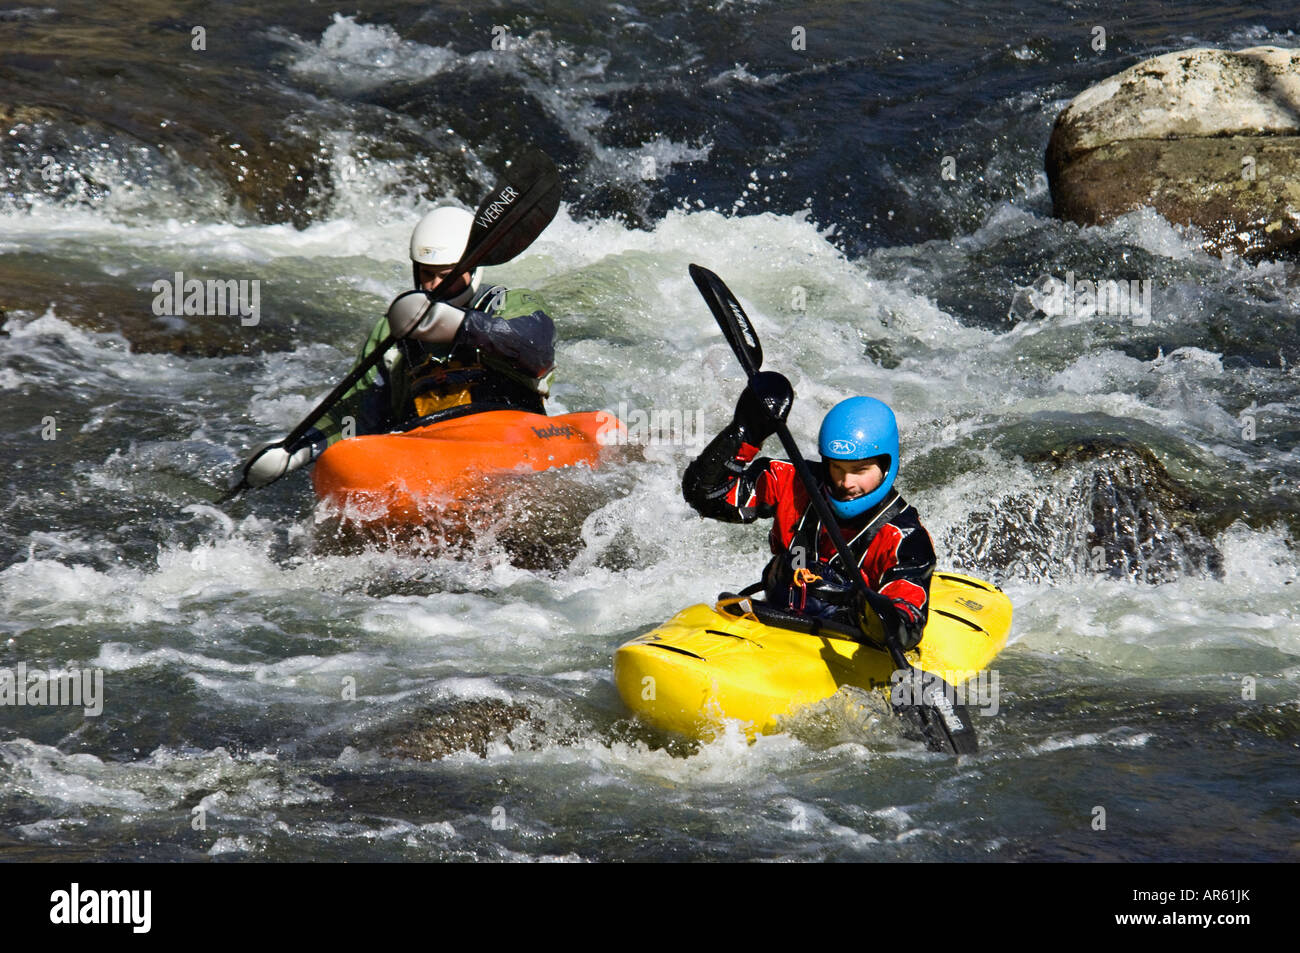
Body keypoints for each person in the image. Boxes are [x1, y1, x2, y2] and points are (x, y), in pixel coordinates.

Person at [242, 205, 557, 487]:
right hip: (430, 447)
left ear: (472, 270)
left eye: (444, 275)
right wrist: (301, 448)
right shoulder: (395, 329)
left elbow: (535, 350)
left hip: (511, 436)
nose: (433, 286)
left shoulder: (508, 303)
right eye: (426, 273)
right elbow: (358, 414)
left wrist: (459, 325)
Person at [682, 372, 935, 651]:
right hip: (776, 618)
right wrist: (745, 432)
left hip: (845, 642)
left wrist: (888, 622)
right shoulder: (792, 481)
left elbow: (908, 617)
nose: (846, 482)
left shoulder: (905, 538)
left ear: (887, 466)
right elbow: (706, 495)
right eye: (837, 467)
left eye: (860, 470)